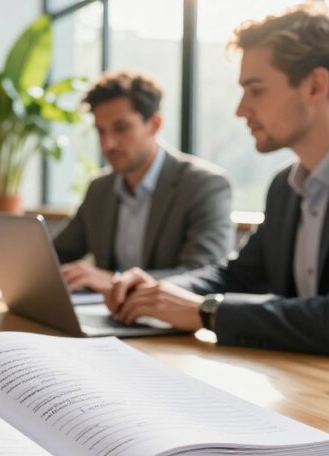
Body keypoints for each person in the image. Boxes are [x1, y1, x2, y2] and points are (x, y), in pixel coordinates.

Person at [107, 0, 329, 385]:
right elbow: (238, 276)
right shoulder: (287, 186)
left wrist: (206, 311)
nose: (240, 109)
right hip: (320, 385)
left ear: (316, 84)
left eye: (256, 90)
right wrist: (158, 292)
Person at [53, 70, 233, 293]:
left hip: (170, 322)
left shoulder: (203, 186)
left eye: (121, 128)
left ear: (154, 124)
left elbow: (203, 273)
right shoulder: (100, 189)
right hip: (105, 317)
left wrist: (114, 280)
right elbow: (56, 254)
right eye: (101, 131)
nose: (108, 143)